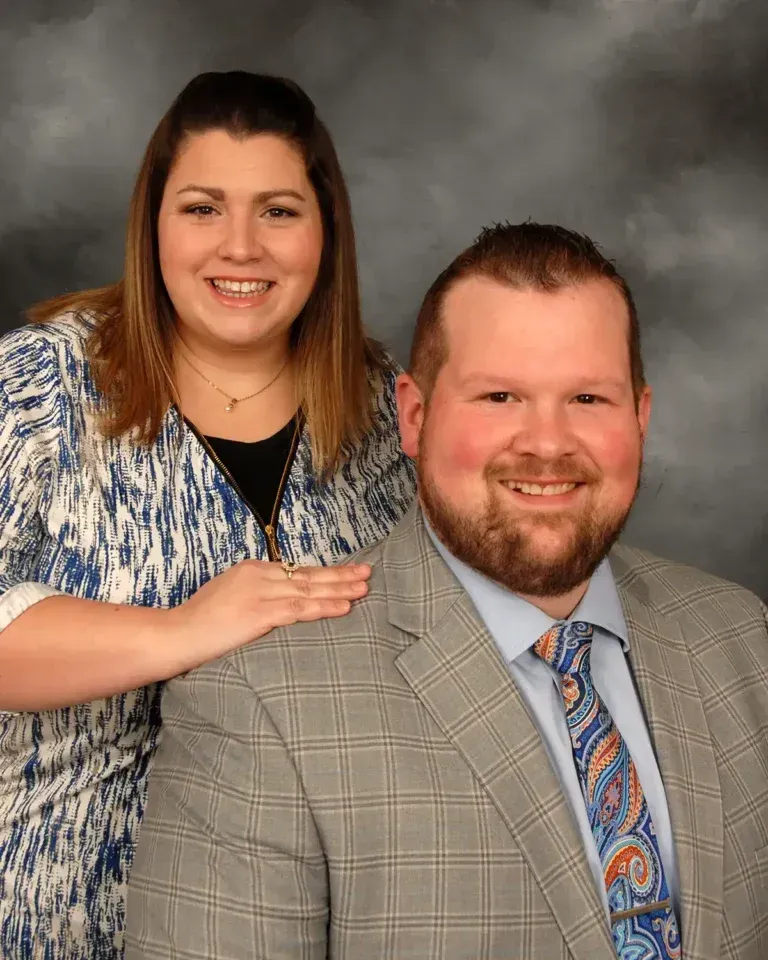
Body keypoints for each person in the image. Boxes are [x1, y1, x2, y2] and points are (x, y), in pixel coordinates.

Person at [127, 221, 768, 960]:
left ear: (640, 418)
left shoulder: (738, 636)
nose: (548, 443)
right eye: (500, 396)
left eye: (588, 398)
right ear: (414, 416)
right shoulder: (258, 701)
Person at [0, 71, 415, 959]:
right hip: (48, 924)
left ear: (325, 233)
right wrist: (185, 629)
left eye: (277, 211)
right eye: (200, 208)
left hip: (295, 925)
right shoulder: (38, 388)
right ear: (153, 226)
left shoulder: (385, 410)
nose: (240, 247)